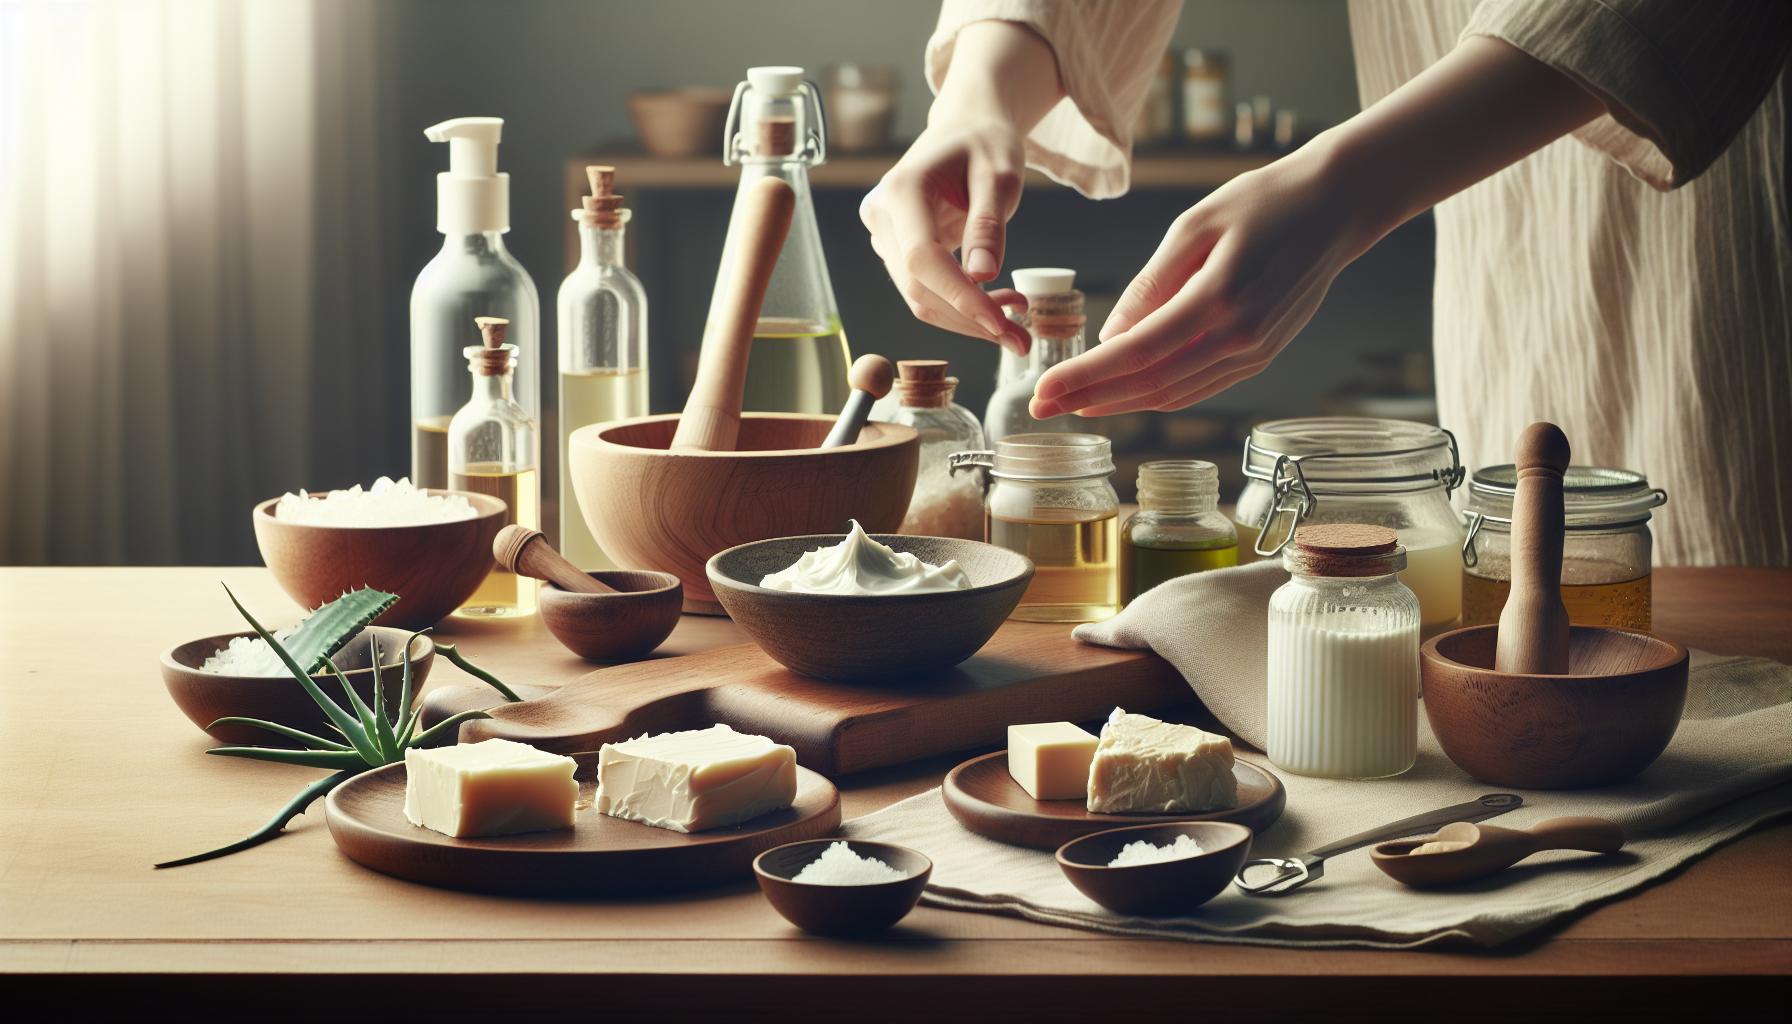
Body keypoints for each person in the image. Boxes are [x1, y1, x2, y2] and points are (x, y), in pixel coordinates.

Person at [860, 1, 1792, 566]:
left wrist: (1346, 186)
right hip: (1487, 230)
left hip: (1707, 200)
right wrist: (981, 91)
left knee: (1696, 536)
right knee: (1519, 575)